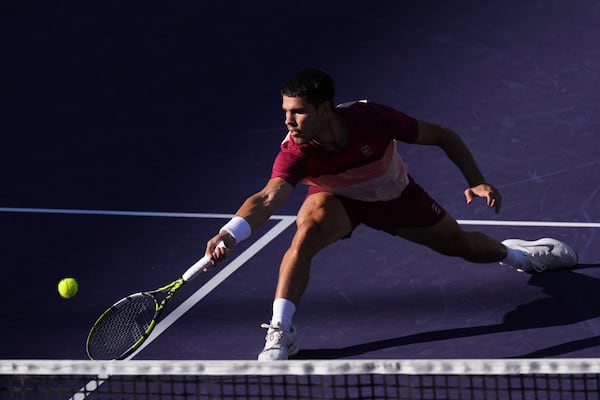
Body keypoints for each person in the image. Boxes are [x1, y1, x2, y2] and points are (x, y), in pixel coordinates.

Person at [204, 68, 578, 361]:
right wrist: (231, 232)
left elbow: (444, 136)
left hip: (396, 197)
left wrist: (476, 180)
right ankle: (281, 331)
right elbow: (268, 198)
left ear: (324, 108)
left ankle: (521, 256)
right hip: (337, 199)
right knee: (305, 235)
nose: (288, 120)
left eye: (298, 111)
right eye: (285, 111)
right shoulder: (295, 152)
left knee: (465, 247)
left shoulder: (373, 119)